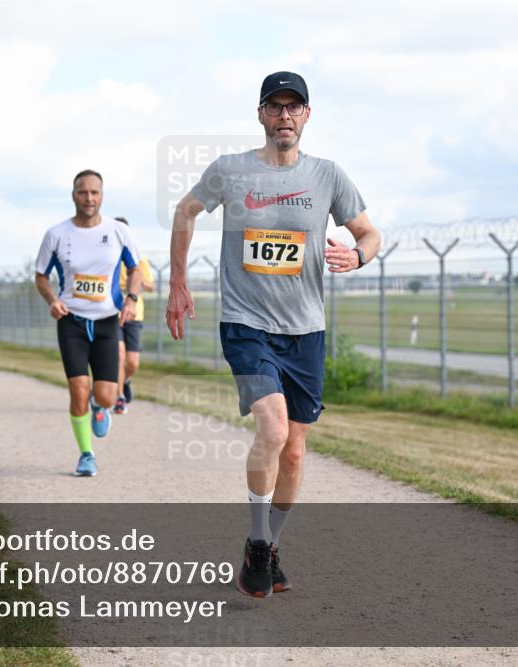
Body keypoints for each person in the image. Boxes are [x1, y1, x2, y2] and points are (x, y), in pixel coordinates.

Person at [166, 72, 381, 598]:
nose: (284, 116)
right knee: (274, 429)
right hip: (246, 322)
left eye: (294, 107)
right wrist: (177, 283)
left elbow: (370, 234)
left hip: (306, 329)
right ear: (260, 114)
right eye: (275, 106)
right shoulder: (231, 171)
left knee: (294, 452)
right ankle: (258, 541)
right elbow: (185, 210)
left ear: (308, 116)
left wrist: (357, 255)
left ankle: (270, 545)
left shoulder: (328, 176)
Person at [34, 170, 141, 477]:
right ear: (73, 195)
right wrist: (53, 300)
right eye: (83, 192)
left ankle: (100, 406)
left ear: (102, 196)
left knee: (106, 395)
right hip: (72, 322)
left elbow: (134, 269)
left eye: (95, 192)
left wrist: (131, 299)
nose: (89, 198)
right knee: (78, 389)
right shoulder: (56, 235)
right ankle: (86, 455)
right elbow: (40, 277)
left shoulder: (119, 231)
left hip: (107, 321)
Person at [112, 217, 155, 414]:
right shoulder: (107, 257)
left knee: (132, 362)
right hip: (112, 313)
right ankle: (119, 397)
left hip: (134, 314)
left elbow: (151, 286)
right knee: (119, 356)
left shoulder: (138, 258)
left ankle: (126, 380)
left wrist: (134, 283)